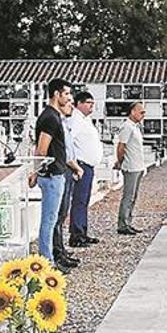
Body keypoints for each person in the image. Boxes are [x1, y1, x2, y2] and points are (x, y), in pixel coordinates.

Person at [30, 78, 73, 271]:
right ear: (56, 94)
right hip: (52, 176)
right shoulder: (50, 117)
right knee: (49, 220)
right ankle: (46, 263)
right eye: (67, 94)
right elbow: (41, 150)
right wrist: (35, 172)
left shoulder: (53, 116)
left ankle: (49, 259)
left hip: (56, 174)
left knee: (53, 218)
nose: (69, 97)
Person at [67, 91, 102, 247]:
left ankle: (83, 231)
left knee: (84, 200)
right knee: (79, 200)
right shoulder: (75, 120)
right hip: (80, 165)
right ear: (79, 103)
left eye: (93, 103)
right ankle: (76, 235)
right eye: (88, 103)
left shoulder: (85, 120)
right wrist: (74, 165)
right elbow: (69, 142)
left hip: (89, 165)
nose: (91, 106)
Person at [52, 100, 83, 269]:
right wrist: (77, 167)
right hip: (63, 169)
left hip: (68, 170)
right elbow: (63, 153)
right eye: (68, 101)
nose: (71, 105)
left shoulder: (65, 123)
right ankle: (57, 253)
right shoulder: (56, 123)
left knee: (63, 214)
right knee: (57, 216)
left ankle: (61, 249)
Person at [115, 102, 147, 236]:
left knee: (133, 197)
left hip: (138, 166)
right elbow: (121, 147)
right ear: (133, 112)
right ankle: (122, 225)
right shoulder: (127, 127)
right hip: (131, 166)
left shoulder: (136, 127)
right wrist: (120, 162)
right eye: (141, 112)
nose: (143, 114)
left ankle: (128, 222)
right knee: (128, 196)